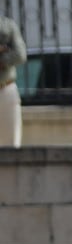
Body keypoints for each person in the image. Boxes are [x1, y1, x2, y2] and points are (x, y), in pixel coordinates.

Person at [0, 14, 26, 147]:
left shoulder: (7, 25)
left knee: (11, 146)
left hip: (5, 89)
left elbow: (20, 54)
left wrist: (2, 59)